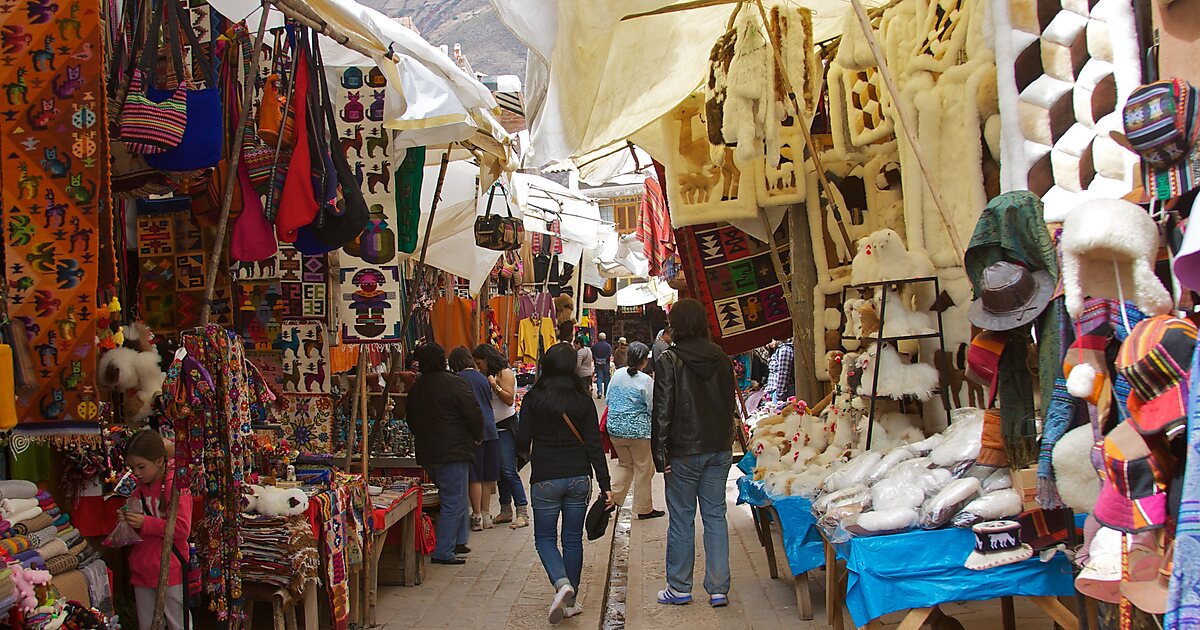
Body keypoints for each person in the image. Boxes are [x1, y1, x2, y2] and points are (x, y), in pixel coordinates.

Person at [517, 344, 613, 624]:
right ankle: (570, 601)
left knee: (545, 539)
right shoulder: (582, 399)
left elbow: (522, 441)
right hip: (579, 478)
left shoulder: (534, 398)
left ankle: (561, 583)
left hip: (545, 477)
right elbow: (595, 445)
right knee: (572, 540)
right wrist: (606, 483)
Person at [652, 298, 737, 608]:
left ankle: (679, 587)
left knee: (682, 519)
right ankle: (718, 589)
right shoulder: (721, 358)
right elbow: (729, 404)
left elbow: (663, 411)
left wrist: (661, 455)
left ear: (677, 325)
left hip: (683, 452)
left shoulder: (669, 360)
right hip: (718, 448)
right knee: (715, 516)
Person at [406, 343, 483, 565]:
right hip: (453, 451)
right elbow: (472, 412)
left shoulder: (417, 388)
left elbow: (410, 418)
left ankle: (457, 541)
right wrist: (477, 435)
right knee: (453, 499)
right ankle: (444, 550)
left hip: (429, 452)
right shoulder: (453, 383)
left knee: (454, 497)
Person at [120, 429, 193, 630]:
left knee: (178, 624)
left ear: (159, 461)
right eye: (132, 467)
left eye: (141, 466)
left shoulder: (176, 486)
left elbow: (181, 529)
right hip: (142, 568)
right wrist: (126, 522)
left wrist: (145, 523)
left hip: (170, 568)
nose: (136, 472)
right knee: (149, 625)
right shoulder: (137, 490)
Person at [604, 342, 665, 520]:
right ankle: (644, 508)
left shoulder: (618, 374)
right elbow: (652, 407)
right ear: (644, 361)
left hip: (615, 428)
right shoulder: (646, 381)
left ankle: (609, 500)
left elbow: (608, 399)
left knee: (625, 465)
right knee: (643, 468)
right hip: (638, 432)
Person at [473, 343, 530, 529]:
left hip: (506, 428)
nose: (478, 366)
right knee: (498, 472)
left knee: (508, 470)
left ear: (487, 360)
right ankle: (506, 510)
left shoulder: (504, 373)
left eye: (479, 362)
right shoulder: (482, 375)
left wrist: (494, 385)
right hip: (491, 429)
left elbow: (508, 399)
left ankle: (522, 510)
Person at [450, 347, 500, 531]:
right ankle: (487, 515)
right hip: (491, 429)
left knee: (475, 476)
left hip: (473, 431)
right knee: (488, 476)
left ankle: (477, 515)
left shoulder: (457, 379)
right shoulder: (483, 378)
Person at [764, 338, 795, 403]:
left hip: (783, 392)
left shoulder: (784, 350)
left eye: (773, 340)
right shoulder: (777, 350)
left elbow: (784, 373)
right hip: (776, 391)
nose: (770, 343)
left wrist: (779, 394)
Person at [592, 332, 613, 398]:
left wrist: (597, 359)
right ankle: (606, 393)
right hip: (606, 363)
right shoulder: (608, 346)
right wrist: (604, 359)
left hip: (598, 363)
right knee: (607, 378)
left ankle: (599, 391)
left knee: (599, 377)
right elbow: (609, 354)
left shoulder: (595, 346)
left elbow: (593, 354)